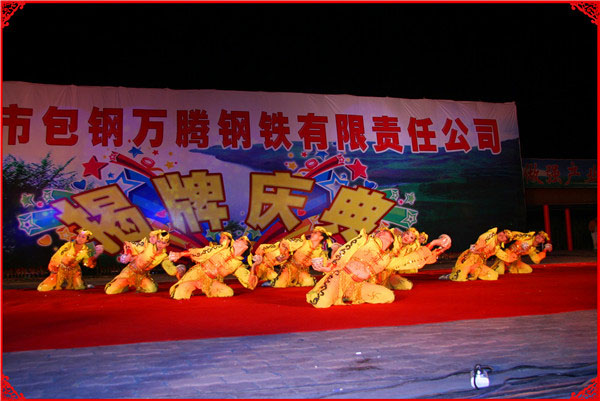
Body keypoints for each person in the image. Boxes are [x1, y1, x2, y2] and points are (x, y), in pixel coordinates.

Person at [306, 228, 450, 308]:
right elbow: (345, 252)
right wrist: (328, 267)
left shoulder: (386, 258)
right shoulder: (365, 240)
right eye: (380, 232)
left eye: (385, 232)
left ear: (391, 240)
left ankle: (345, 295)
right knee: (321, 304)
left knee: (388, 296)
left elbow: (407, 261)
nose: (381, 232)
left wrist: (433, 244)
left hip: (358, 286)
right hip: (341, 277)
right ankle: (335, 292)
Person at [169, 236, 254, 300]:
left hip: (211, 282)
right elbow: (201, 252)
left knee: (228, 292)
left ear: (246, 247)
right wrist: (180, 254)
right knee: (179, 295)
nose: (237, 239)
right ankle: (184, 276)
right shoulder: (221, 248)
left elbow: (250, 282)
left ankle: (205, 289)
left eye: (241, 240)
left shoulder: (238, 264)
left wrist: (255, 265)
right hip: (197, 274)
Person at [104, 230, 185, 294]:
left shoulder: (164, 256)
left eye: (163, 243)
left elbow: (169, 268)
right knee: (110, 291)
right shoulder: (146, 245)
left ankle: (139, 285)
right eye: (159, 241)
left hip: (142, 276)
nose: (160, 244)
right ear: (156, 241)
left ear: (167, 244)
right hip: (129, 272)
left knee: (152, 289)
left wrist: (178, 270)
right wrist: (128, 254)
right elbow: (128, 244)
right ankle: (125, 285)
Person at [37, 229, 103, 291]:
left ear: (86, 240)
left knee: (79, 287)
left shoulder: (86, 251)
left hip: (74, 271)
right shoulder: (68, 245)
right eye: (79, 236)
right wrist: (54, 265)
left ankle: (83, 284)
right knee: (43, 288)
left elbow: (87, 264)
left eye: (83, 237)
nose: (80, 238)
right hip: (60, 269)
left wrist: (95, 255)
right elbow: (59, 254)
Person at [443, 227, 516, 282]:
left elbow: (504, 256)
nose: (503, 235)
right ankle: (454, 274)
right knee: (460, 278)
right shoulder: (490, 236)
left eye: (506, 237)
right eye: (503, 232)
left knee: (493, 275)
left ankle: (471, 274)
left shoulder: (497, 247)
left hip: (479, 263)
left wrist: (512, 256)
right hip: (470, 258)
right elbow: (475, 247)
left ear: (505, 241)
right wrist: (476, 252)